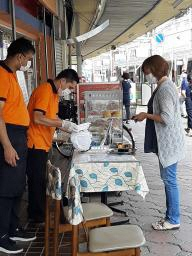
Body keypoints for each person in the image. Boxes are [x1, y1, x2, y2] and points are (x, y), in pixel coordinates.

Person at [133, 55, 185, 230]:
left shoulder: (164, 89)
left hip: (169, 144)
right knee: (169, 179)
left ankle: (173, 219)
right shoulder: (165, 85)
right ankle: (171, 217)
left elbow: (166, 118)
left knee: (169, 180)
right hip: (170, 142)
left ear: (153, 69)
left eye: (146, 71)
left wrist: (145, 115)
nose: (145, 74)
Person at [27, 69, 79, 223]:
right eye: (70, 87)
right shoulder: (44, 91)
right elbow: (37, 118)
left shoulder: (54, 93)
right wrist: (62, 123)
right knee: (36, 180)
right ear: (62, 80)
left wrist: (68, 128)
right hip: (35, 142)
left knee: (41, 179)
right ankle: (36, 216)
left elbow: (52, 117)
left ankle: (39, 212)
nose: (69, 91)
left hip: (44, 141)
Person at [0, 38, 36, 254]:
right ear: (19, 56)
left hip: (18, 135)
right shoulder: (2, 75)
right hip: (9, 136)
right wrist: (7, 146)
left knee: (16, 187)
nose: (28, 63)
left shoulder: (12, 74)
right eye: (29, 59)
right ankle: (2, 235)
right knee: (5, 189)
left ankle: (12, 228)